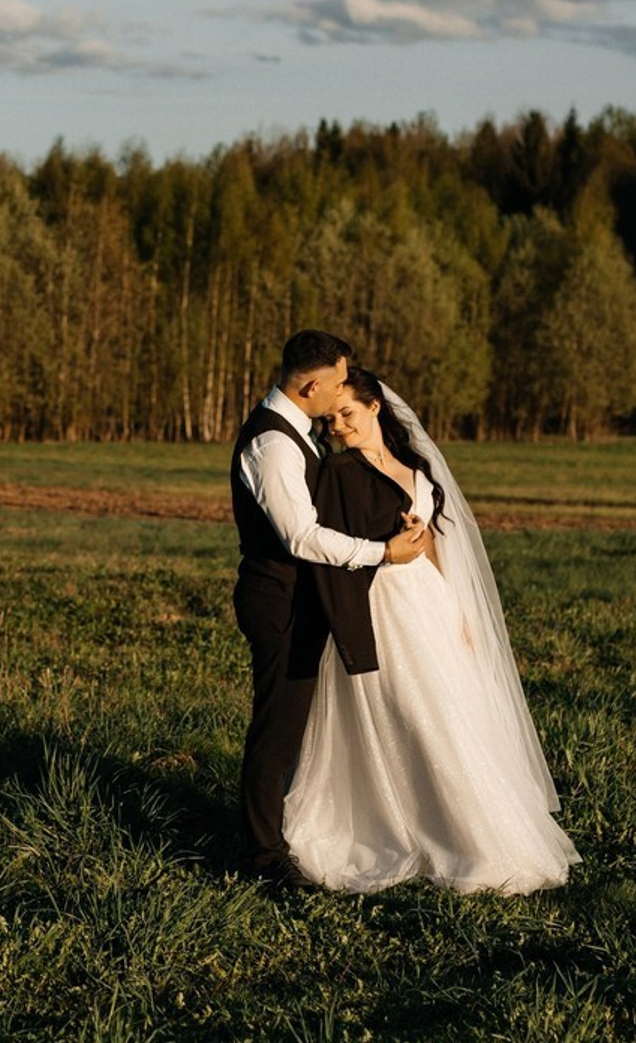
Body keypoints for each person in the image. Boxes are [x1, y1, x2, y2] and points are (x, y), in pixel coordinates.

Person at [283, 367, 581, 894]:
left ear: (375, 407)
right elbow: (333, 547)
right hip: (381, 606)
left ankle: (482, 836)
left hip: (429, 604)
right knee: (414, 715)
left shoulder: (416, 469)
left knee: (453, 713)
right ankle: (435, 832)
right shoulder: (340, 472)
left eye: (347, 414)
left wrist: (457, 606)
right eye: (330, 420)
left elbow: (436, 542)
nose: (339, 427)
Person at [230, 333, 428, 889]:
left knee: (294, 727)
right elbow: (300, 536)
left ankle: (285, 829)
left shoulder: (300, 432)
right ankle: (263, 858)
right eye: (338, 382)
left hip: (303, 597)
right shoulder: (273, 443)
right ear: (311, 385)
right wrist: (381, 553)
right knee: (277, 730)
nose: (343, 390)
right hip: (280, 601)